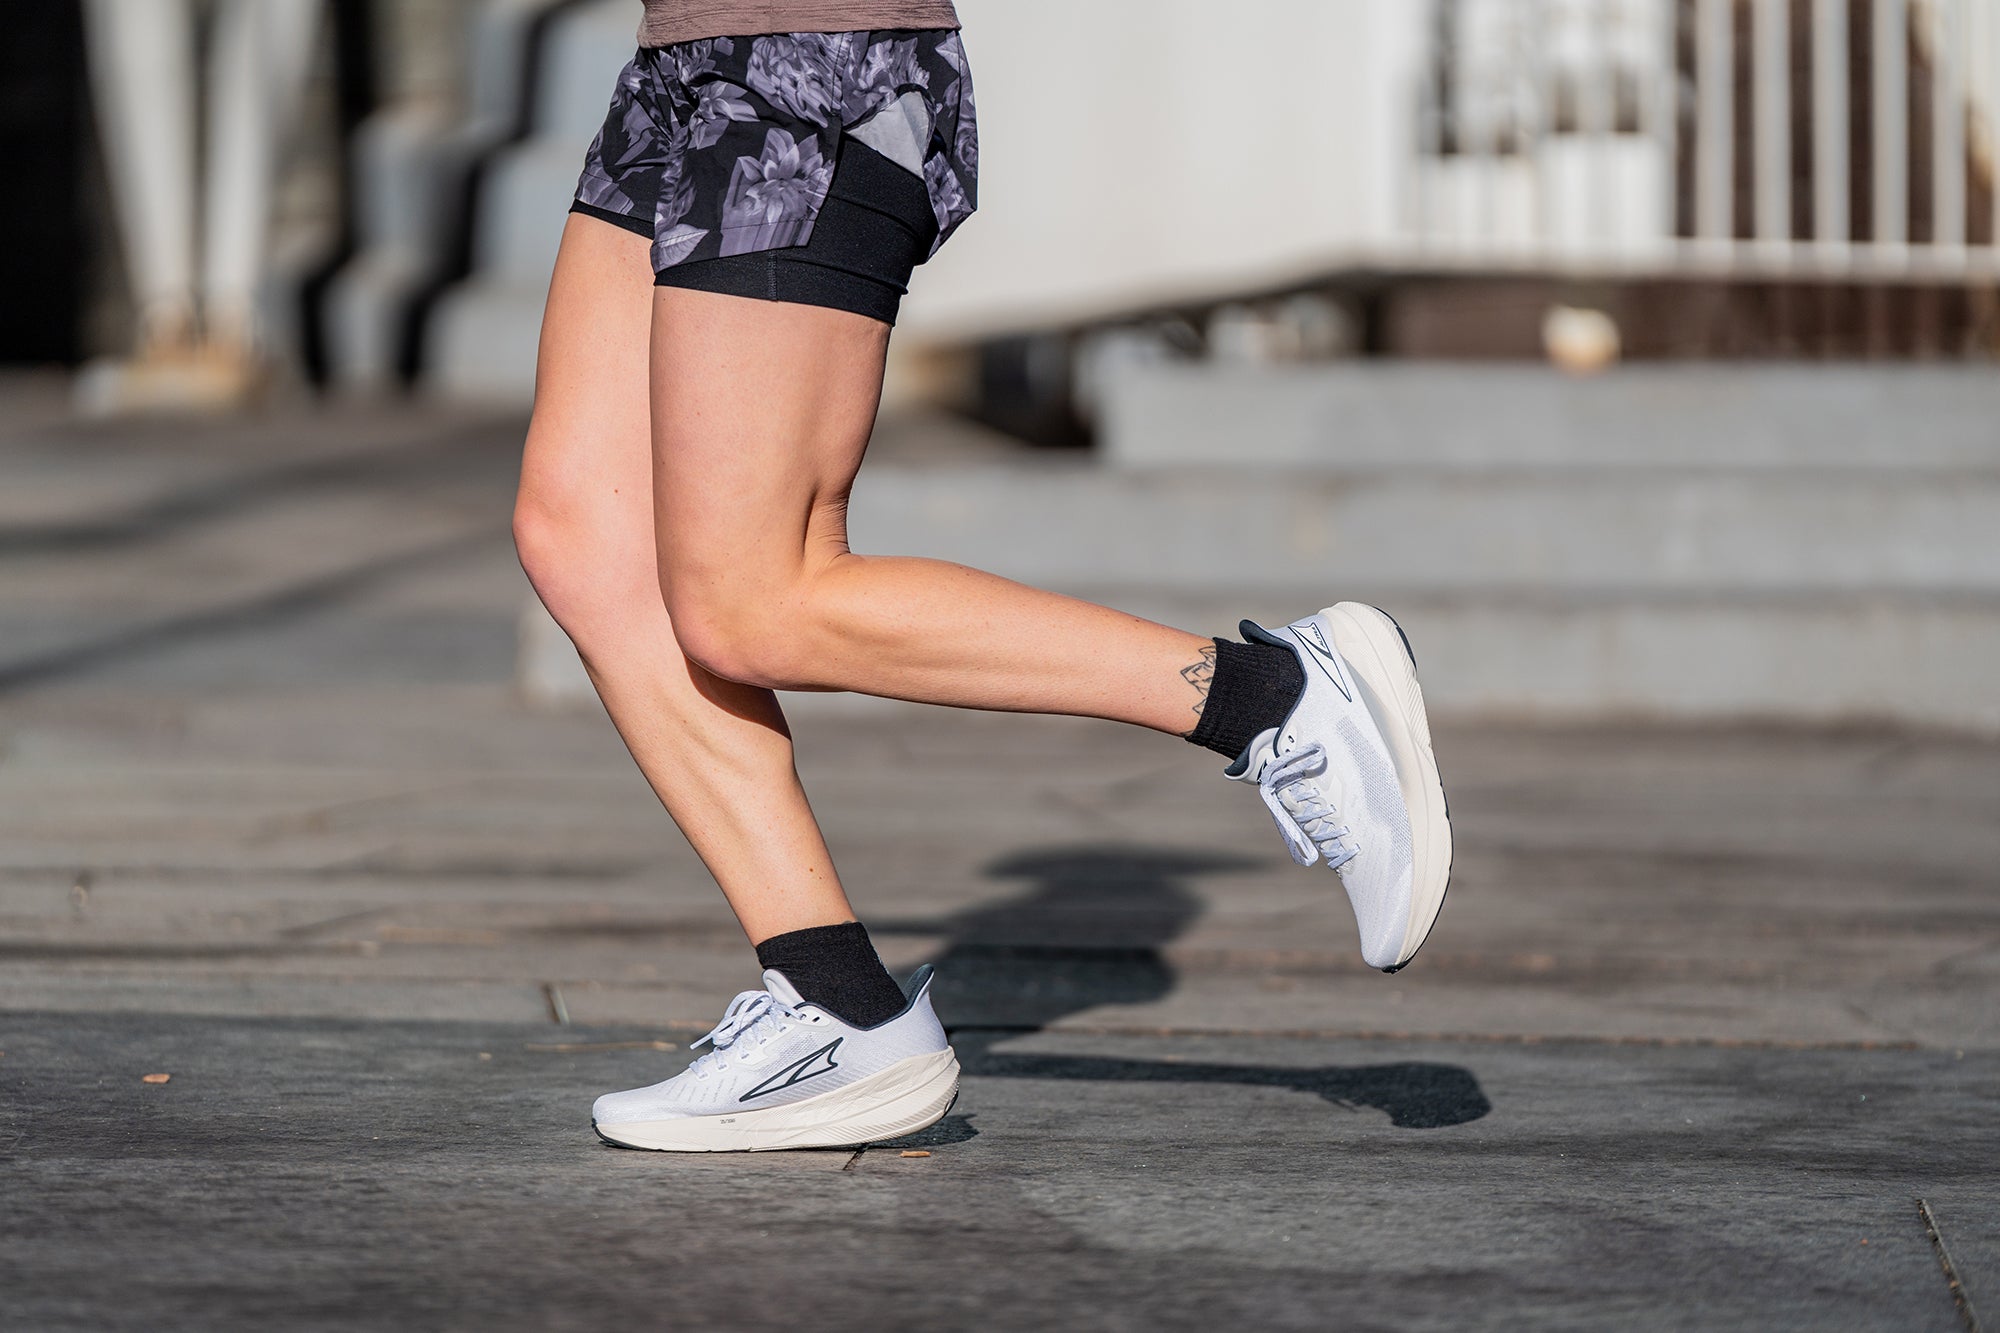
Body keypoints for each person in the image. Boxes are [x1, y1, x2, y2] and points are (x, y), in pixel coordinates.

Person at [513, 1, 1452, 1153]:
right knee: (584, 535)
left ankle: (1274, 699)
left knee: (756, 601)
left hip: (804, 55)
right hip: (681, 59)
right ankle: (840, 1010)